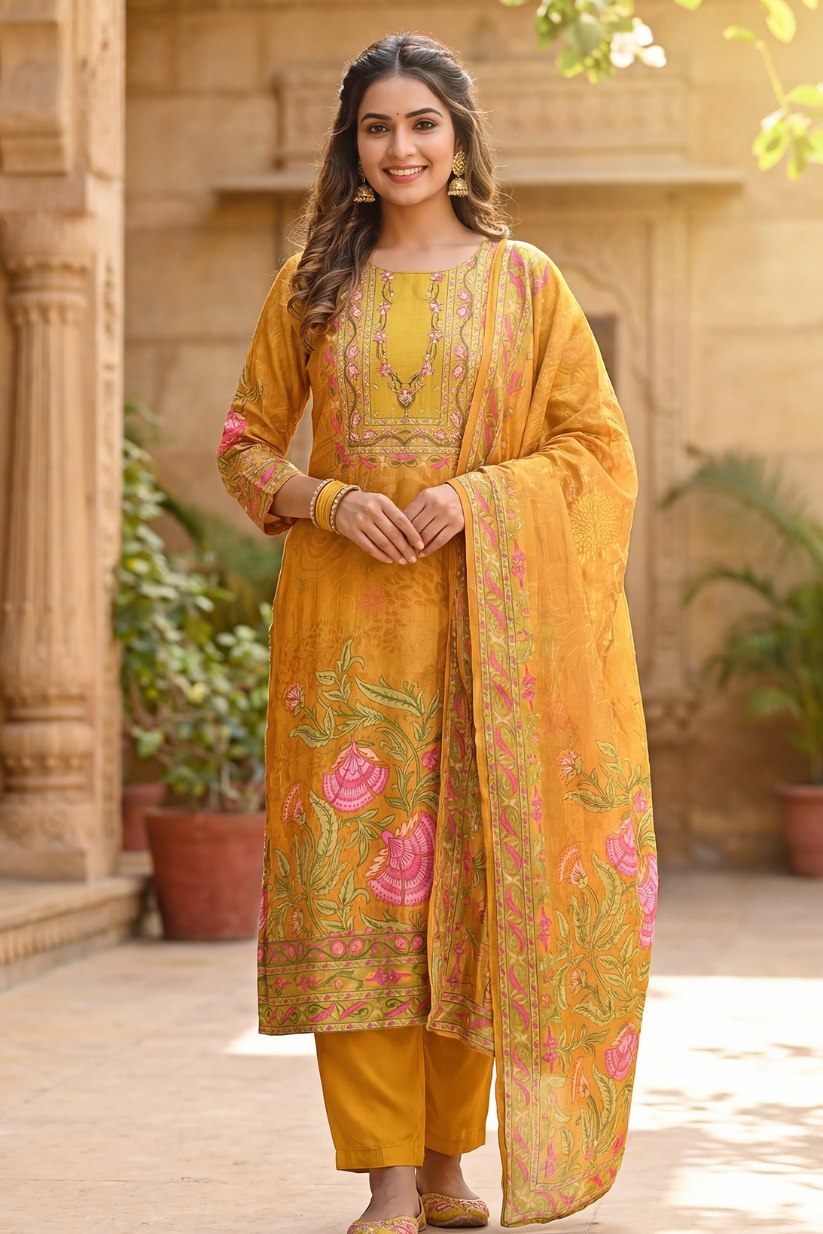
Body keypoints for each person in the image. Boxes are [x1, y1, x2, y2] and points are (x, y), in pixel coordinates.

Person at [218, 33, 657, 1234]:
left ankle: (453, 1162)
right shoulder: (311, 281)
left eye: (421, 123)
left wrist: (475, 496)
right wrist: (329, 497)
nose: (400, 147)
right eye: (376, 127)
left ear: (457, 136)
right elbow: (245, 441)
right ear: (351, 149)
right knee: (363, 897)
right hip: (346, 642)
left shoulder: (527, 284)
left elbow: (595, 450)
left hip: (484, 640)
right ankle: (389, 1182)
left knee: (470, 891)